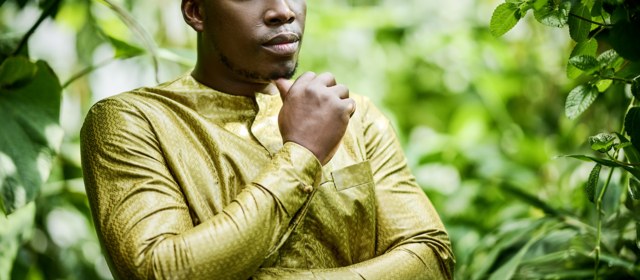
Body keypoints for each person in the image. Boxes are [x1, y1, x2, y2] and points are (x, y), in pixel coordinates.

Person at [80, 0, 455, 279]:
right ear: (196, 11)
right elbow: (159, 271)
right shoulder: (133, 121)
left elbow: (432, 257)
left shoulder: (357, 115)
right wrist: (303, 152)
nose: (282, 10)